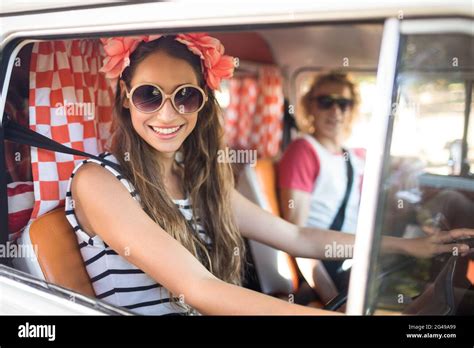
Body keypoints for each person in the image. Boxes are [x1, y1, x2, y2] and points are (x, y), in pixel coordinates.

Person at [66, 34, 474, 315]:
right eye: (149, 95)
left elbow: (298, 237)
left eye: (185, 96)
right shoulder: (99, 181)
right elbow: (200, 290)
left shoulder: (198, 179)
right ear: (125, 96)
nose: (168, 114)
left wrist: (409, 247)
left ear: (203, 102)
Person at [277, 72, 372, 302]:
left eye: (343, 103)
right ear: (310, 106)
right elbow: (295, 236)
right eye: (325, 102)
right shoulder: (304, 151)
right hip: (329, 271)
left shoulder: (353, 156)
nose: (335, 111)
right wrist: (332, 299)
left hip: (356, 261)